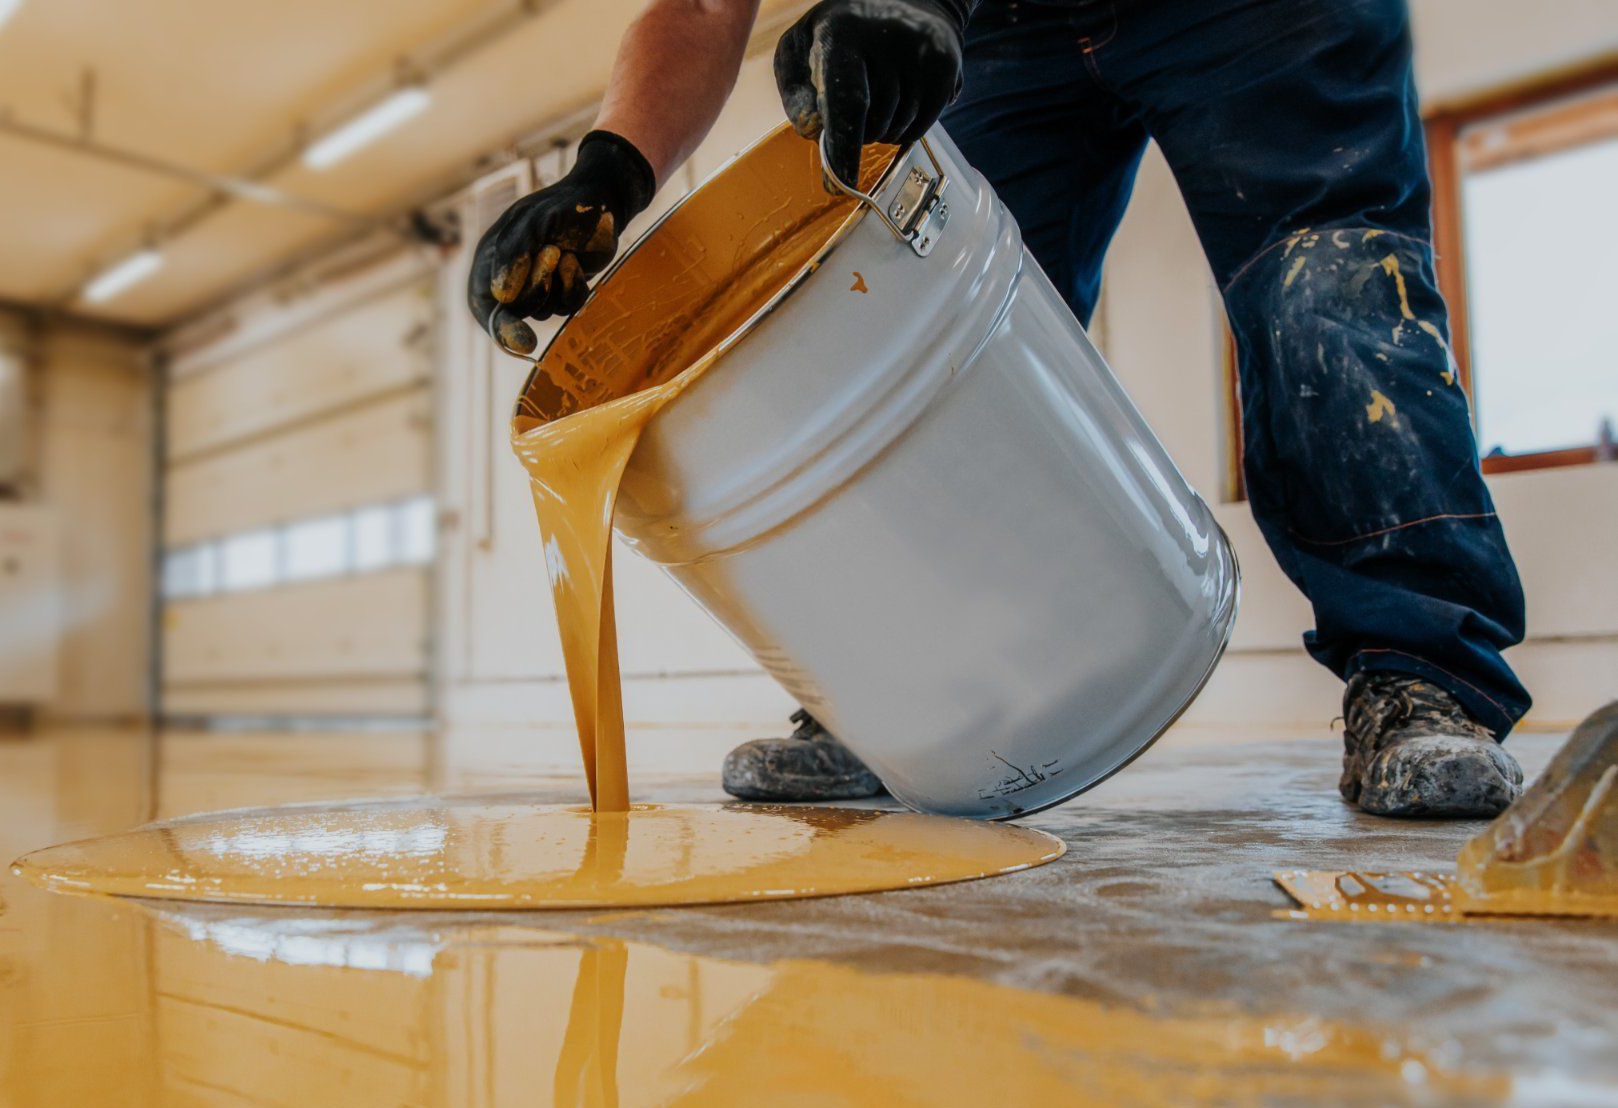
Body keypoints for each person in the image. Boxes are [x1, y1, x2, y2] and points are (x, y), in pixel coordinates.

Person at [467, 0, 1531, 819]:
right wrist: (607, 170)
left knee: (1323, 274)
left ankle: (1419, 673)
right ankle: (896, 707)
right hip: (1010, 25)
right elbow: (700, 9)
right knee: (900, 306)